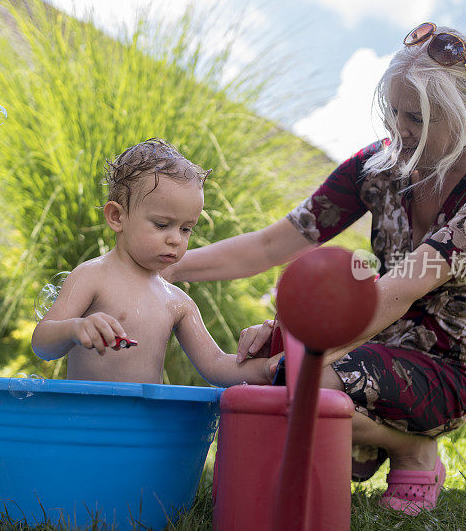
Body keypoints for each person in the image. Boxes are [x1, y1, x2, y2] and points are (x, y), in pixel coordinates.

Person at [163, 23, 466, 514]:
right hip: (374, 341)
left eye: (419, 119)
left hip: (448, 369)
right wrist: (163, 268)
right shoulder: (377, 167)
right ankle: (361, 441)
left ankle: (413, 448)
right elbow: (270, 244)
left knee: (300, 377)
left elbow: (406, 287)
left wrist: (298, 357)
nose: (399, 130)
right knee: (283, 362)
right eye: (396, 113)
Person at [31, 138, 281, 387]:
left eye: (186, 229)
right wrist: (75, 328)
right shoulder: (92, 276)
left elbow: (215, 364)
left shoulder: (177, 301)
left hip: (145, 423)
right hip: (86, 420)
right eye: (162, 225)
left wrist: (266, 368)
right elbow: (42, 343)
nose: (175, 239)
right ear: (117, 216)